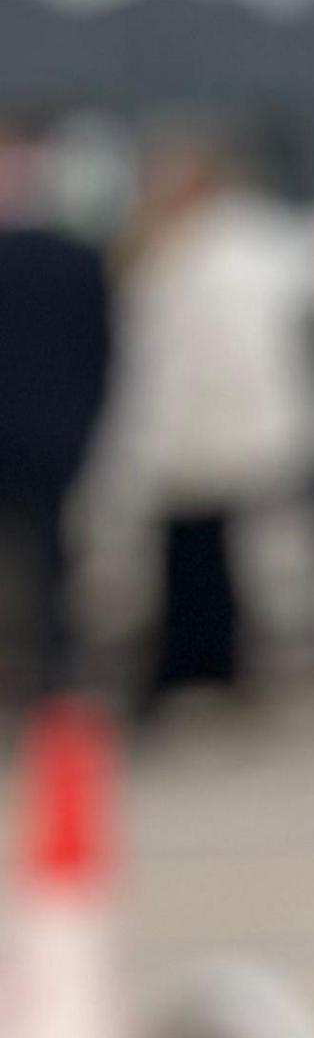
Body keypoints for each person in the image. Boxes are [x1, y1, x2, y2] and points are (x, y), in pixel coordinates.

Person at [87, 128, 314, 722]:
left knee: (204, 568)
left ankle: (200, 674)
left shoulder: (225, 254)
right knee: (197, 564)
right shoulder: (222, 246)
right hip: (200, 441)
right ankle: (200, 671)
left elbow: (210, 360)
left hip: (210, 440)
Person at [0, 118, 113, 708]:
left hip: (46, 436)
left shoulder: (75, 258)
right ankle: (52, 675)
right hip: (57, 432)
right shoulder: (79, 258)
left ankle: (51, 674)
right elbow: (103, 355)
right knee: (49, 565)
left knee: (49, 565)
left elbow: (101, 351)